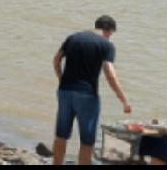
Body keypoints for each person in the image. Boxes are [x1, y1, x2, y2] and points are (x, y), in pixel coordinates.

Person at [52, 14, 131, 166]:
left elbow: (56, 60)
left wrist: (61, 79)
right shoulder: (106, 45)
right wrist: (124, 100)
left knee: (61, 135)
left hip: (65, 92)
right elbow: (110, 74)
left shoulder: (73, 38)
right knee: (87, 141)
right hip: (87, 96)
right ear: (108, 30)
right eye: (110, 34)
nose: (109, 37)